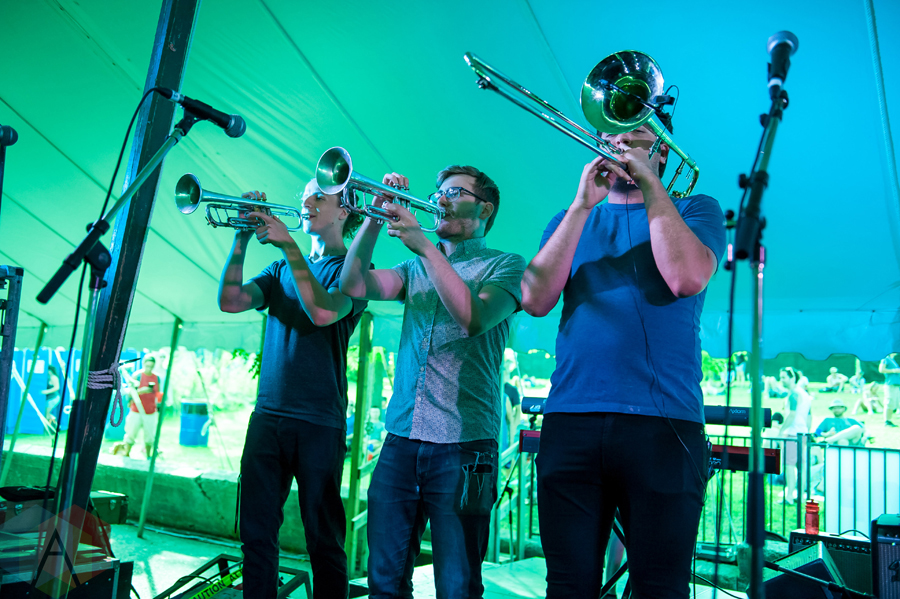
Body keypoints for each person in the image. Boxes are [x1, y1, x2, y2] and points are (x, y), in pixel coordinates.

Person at [520, 117, 726, 598]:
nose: (621, 145)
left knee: (660, 587)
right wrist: (580, 206)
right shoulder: (569, 219)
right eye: (612, 138)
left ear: (663, 152)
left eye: (636, 138)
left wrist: (650, 184)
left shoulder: (695, 208)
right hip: (572, 418)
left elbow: (686, 278)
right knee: (567, 586)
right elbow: (534, 299)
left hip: (663, 425)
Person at [339, 165, 525, 598]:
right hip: (401, 438)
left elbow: (474, 318)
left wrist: (424, 246)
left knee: (457, 587)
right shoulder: (414, 266)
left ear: (485, 210)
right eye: (438, 192)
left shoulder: (506, 264)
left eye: (454, 192)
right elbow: (352, 283)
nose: (440, 199)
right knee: (383, 581)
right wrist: (374, 215)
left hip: (464, 445)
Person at [218, 179, 366, 599]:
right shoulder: (279, 269)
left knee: (324, 539)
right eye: (305, 196)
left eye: (319, 196)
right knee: (256, 534)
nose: (306, 202)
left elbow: (321, 311)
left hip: (319, 422)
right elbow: (230, 300)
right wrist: (241, 238)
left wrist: (288, 245)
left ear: (344, 211)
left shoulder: (354, 272)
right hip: (268, 417)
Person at [777, 366, 812, 504]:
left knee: (789, 465)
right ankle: (801, 496)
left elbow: (791, 414)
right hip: (803, 433)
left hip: (792, 433)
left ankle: (789, 496)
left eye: (784, 377)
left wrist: (781, 430)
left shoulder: (793, 394)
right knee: (801, 466)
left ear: (792, 378)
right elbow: (809, 416)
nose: (781, 380)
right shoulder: (805, 394)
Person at [879, 352, 900, 427]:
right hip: (890, 384)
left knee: (895, 403)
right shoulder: (886, 358)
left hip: (896, 384)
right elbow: (881, 369)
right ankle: (887, 421)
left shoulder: (892, 359)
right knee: (889, 402)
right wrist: (894, 370)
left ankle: (889, 420)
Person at [42, 364, 61, 429]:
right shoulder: (50, 377)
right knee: (47, 413)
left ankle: (53, 427)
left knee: (46, 414)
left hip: (53, 398)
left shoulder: (53, 377)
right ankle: (55, 426)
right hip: (52, 398)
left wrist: (46, 391)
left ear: (50, 370)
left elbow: (57, 387)